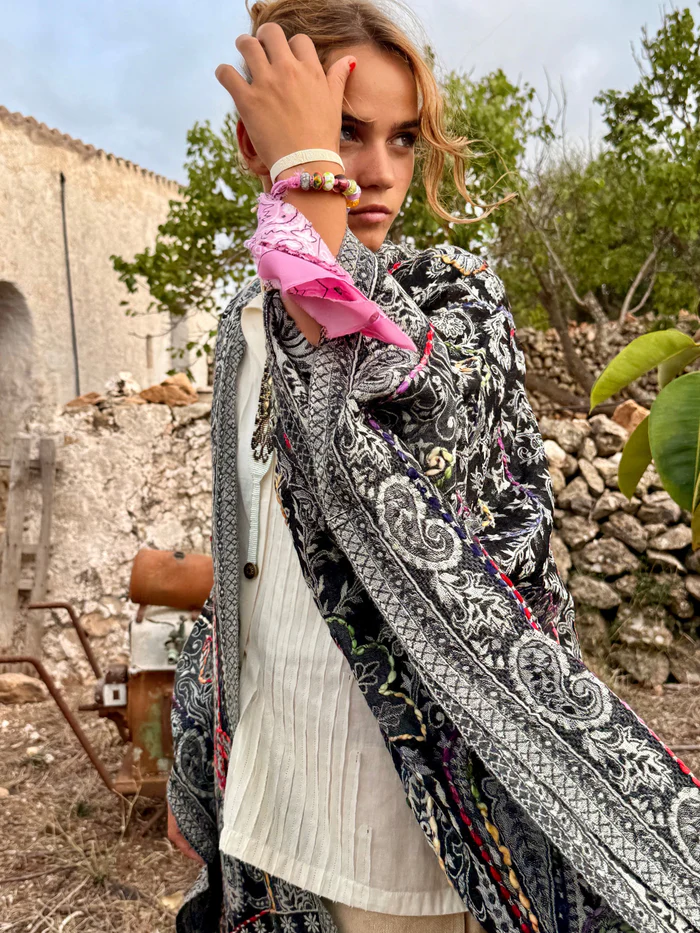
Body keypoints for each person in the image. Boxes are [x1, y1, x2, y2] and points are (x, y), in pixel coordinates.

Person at [166, 2, 700, 933]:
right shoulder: (239, 329)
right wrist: (195, 760)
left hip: (406, 831)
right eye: (344, 131)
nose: (377, 171)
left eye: (403, 138)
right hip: (272, 805)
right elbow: (241, 561)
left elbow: (378, 404)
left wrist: (308, 174)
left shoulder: (457, 304)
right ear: (258, 143)